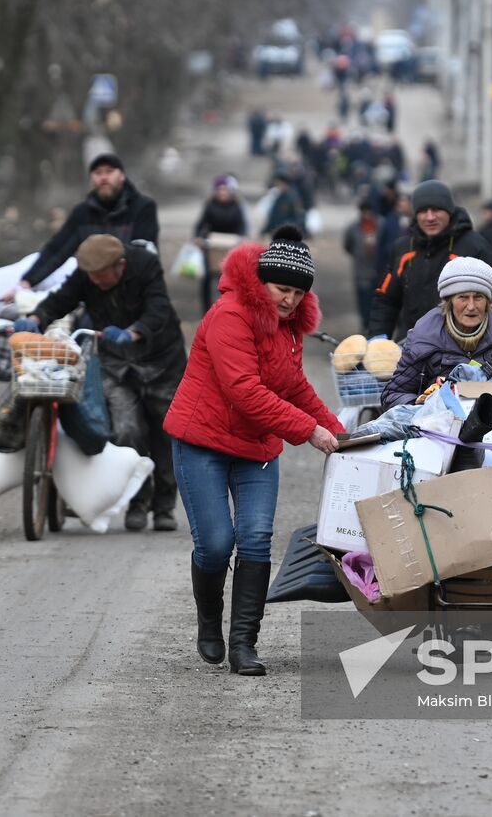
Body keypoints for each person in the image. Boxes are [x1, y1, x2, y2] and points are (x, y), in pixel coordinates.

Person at [164, 225, 344, 676]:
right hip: (202, 441)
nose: (290, 301)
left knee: (256, 538)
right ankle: (210, 620)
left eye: (299, 294)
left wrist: (340, 434)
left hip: (256, 448)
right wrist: (309, 431)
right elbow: (244, 390)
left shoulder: (289, 327)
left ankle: (244, 644)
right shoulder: (230, 315)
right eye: (283, 290)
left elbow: (294, 385)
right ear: (261, 282)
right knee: (216, 545)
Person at [15, 235, 187, 531]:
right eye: (91, 277)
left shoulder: (144, 264)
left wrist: (133, 332)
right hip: (115, 362)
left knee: (165, 430)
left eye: (102, 276)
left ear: (120, 265)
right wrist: (35, 318)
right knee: (126, 429)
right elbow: (62, 299)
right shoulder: (87, 274)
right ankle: (138, 500)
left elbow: (158, 308)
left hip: (160, 360)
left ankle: (164, 505)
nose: (96, 282)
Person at [382, 257, 492, 408]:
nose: (471, 306)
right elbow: (393, 394)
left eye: (478, 297)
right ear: (449, 301)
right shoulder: (424, 339)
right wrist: (424, 405)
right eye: (463, 297)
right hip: (438, 427)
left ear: (489, 302)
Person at [13, 153, 159, 293]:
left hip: (134, 289)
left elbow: (143, 253)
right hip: (94, 290)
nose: (103, 177)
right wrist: (28, 281)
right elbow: (57, 250)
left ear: (122, 176)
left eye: (109, 171)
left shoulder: (143, 208)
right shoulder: (82, 213)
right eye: (98, 173)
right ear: (91, 178)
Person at [369, 179, 492, 341]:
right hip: (410, 345)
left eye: (436, 210)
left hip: (458, 347)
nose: (430, 217)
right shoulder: (403, 248)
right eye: (423, 211)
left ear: (449, 211)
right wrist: (377, 339)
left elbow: (489, 304)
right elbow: (386, 301)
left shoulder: (473, 247)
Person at [193, 174, 248, 312]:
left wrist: (240, 238)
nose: (222, 192)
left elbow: (242, 226)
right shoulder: (210, 205)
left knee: (230, 278)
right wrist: (198, 237)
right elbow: (201, 224)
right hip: (213, 245)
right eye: (220, 189)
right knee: (207, 277)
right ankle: (206, 309)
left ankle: (229, 307)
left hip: (230, 246)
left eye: (225, 189)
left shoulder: (236, 206)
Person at [343, 197, 381, 330]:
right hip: (361, 272)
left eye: (369, 212)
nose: (367, 215)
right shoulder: (353, 228)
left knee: (377, 301)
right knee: (364, 301)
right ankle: (366, 326)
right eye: (364, 212)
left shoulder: (381, 226)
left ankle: (375, 326)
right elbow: (347, 246)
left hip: (379, 271)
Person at [261, 170, 305, 236]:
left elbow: (298, 218)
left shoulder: (293, 198)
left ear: (284, 183)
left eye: (278, 184)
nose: (277, 186)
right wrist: (263, 232)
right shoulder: (278, 198)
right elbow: (273, 218)